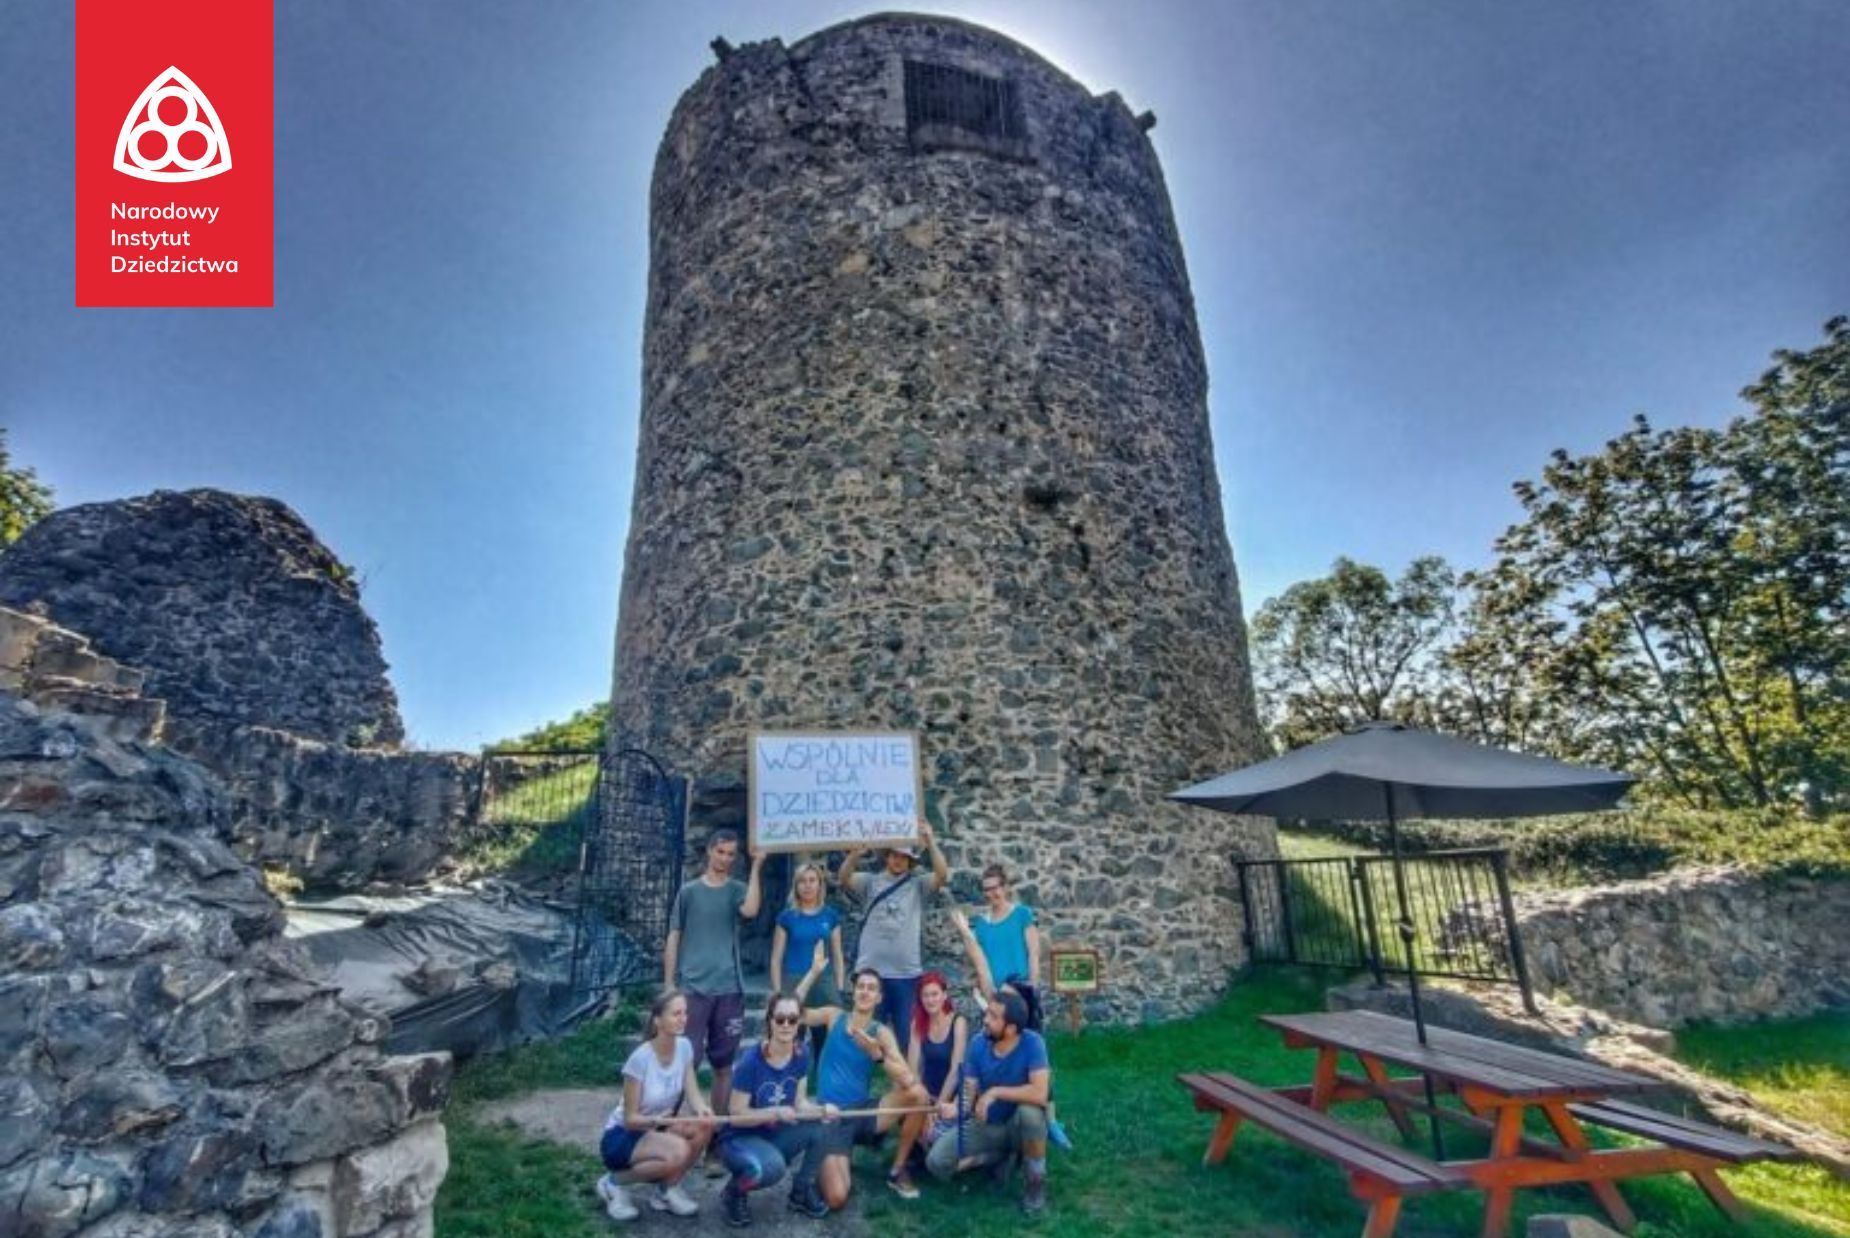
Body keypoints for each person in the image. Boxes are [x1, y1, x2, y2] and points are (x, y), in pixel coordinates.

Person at [797, 957, 932, 1205]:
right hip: (831, 1114)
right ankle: (822, 1159)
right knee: (837, 1197)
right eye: (861, 986)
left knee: (919, 1096)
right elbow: (793, 1012)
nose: (865, 992)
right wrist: (813, 971)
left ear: (879, 997)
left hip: (863, 1113)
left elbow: (907, 1079)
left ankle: (898, 1169)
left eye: (871, 988)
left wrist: (877, 1055)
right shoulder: (833, 1016)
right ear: (854, 991)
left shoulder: (881, 1032)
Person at [663, 828, 765, 1134]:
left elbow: (751, 909)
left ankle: (716, 1141)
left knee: (724, 1066)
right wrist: (669, 984)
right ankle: (664, 1132)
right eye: (720, 852)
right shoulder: (689, 892)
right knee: (684, 1063)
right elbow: (674, 936)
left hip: (729, 988)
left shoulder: (736, 889)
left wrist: (758, 866)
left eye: (731, 854)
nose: (725, 858)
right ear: (709, 851)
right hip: (692, 989)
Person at [925, 989, 1051, 1216]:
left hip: (1017, 1124)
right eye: (987, 1014)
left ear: (1011, 1028)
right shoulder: (978, 1043)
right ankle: (998, 1157)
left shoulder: (1033, 1043)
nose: (985, 1020)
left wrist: (995, 1092)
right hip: (986, 1124)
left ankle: (1035, 1182)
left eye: (993, 1017)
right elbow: (969, 1089)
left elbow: (1040, 1093)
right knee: (936, 1162)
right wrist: (956, 1108)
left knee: (1031, 1114)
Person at [595, 989, 715, 1222]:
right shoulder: (640, 1059)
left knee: (704, 1126)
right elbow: (630, 1119)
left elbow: (693, 1093)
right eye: (676, 1014)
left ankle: (666, 1191)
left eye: (685, 1013)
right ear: (658, 1020)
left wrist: (702, 1110)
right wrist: (659, 1121)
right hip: (624, 1136)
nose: (683, 1018)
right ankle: (613, 1183)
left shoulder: (684, 1047)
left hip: (658, 1126)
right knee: (679, 1150)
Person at [716, 990, 831, 1226]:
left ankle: (801, 1191)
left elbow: (799, 1103)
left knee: (822, 1126)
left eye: (792, 1019)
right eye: (780, 1019)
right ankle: (734, 1193)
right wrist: (775, 1112)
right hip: (739, 1139)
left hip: (772, 1134)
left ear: (800, 1022)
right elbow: (736, 1116)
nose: (786, 1025)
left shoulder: (801, 1054)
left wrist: (821, 1109)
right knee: (768, 1169)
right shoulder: (751, 1062)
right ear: (769, 1020)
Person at [837, 819, 949, 1056]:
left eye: (903, 856)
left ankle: (908, 1085)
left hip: (906, 974)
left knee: (908, 1038)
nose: (898, 860)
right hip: (871, 973)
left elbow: (942, 874)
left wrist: (931, 842)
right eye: (894, 855)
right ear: (886, 857)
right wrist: (855, 854)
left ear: (910, 861)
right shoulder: (870, 882)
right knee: (863, 1037)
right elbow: (844, 878)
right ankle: (858, 1088)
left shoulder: (918, 886)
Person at [769, 860, 845, 1067]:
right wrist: (777, 992)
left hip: (824, 982)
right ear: (796, 885)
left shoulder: (830, 915)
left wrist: (839, 987)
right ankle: (791, 1082)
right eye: (802, 881)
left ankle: (823, 1087)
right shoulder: (787, 917)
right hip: (794, 982)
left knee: (827, 1041)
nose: (808, 885)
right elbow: (776, 958)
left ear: (820, 884)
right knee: (791, 1038)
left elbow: (838, 955)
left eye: (812, 880)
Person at [906, 970, 968, 1159]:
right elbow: (913, 1068)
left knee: (933, 1136)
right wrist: (924, 1107)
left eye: (934, 994)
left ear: (944, 995)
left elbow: (955, 1071)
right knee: (910, 1121)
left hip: (951, 1097)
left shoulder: (958, 1022)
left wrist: (936, 1109)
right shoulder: (917, 1022)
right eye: (925, 995)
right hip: (926, 1095)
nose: (930, 1000)